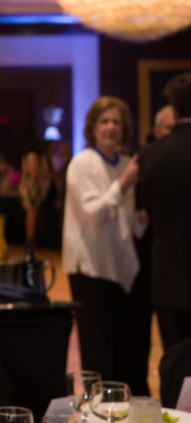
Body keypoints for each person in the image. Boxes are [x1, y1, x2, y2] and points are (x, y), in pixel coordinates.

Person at [62, 96, 146, 383]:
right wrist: (123, 184)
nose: (111, 127)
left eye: (117, 122)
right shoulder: (82, 163)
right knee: (98, 350)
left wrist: (143, 221)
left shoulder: (125, 162)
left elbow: (128, 218)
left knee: (125, 349)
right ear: (93, 128)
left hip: (121, 267)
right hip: (90, 268)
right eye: (105, 121)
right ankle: (97, 411)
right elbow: (93, 214)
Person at [138, 74, 191, 348]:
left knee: (176, 358)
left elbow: (147, 210)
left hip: (168, 272)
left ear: (174, 108)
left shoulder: (151, 156)